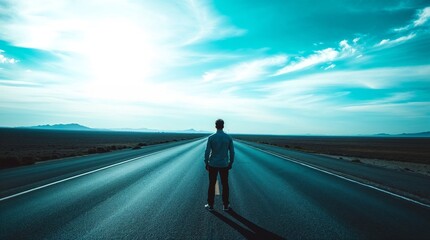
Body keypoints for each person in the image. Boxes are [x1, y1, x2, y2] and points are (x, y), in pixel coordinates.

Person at [204, 119, 235, 211]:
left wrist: (206, 162)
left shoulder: (211, 138)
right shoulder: (228, 138)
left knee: (212, 184)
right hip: (224, 164)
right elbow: (232, 152)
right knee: (225, 184)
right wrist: (231, 162)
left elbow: (207, 151)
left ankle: (210, 205)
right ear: (223, 126)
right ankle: (225, 205)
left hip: (213, 164)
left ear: (215, 126)